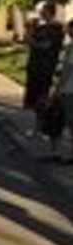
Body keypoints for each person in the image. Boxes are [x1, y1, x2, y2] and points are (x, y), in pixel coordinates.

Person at [24, 2, 65, 132]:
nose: (41, 13)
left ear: (50, 12)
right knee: (34, 99)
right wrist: (29, 28)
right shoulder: (40, 27)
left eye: (44, 10)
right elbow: (28, 39)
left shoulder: (56, 28)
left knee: (42, 98)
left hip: (45, 68)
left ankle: (44, 126)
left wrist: (32, 40)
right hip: (34, 66)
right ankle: (38, 126)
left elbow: (45, 46)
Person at [50, 19, 73, 163]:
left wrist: (58, 88)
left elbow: (67, 70)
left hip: (69, 89)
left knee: (68, 121)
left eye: (69, 29)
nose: (67, 32)